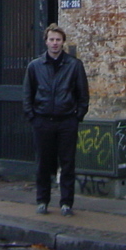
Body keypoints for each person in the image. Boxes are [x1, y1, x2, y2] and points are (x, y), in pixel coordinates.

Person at [22, 24, 89, 216]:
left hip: (67, 121)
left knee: (67, 163)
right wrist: (32, 116)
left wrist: (78, 116)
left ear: (63, 42)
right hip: (43, 121)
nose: (54, 43)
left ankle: (66, 203)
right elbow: (28, 93)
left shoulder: (74, 65)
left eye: (58, 40)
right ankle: (42, 200)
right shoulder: (35, 66)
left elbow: (82, 94)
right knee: (44, 163)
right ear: (46, 42)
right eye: (51, 39)